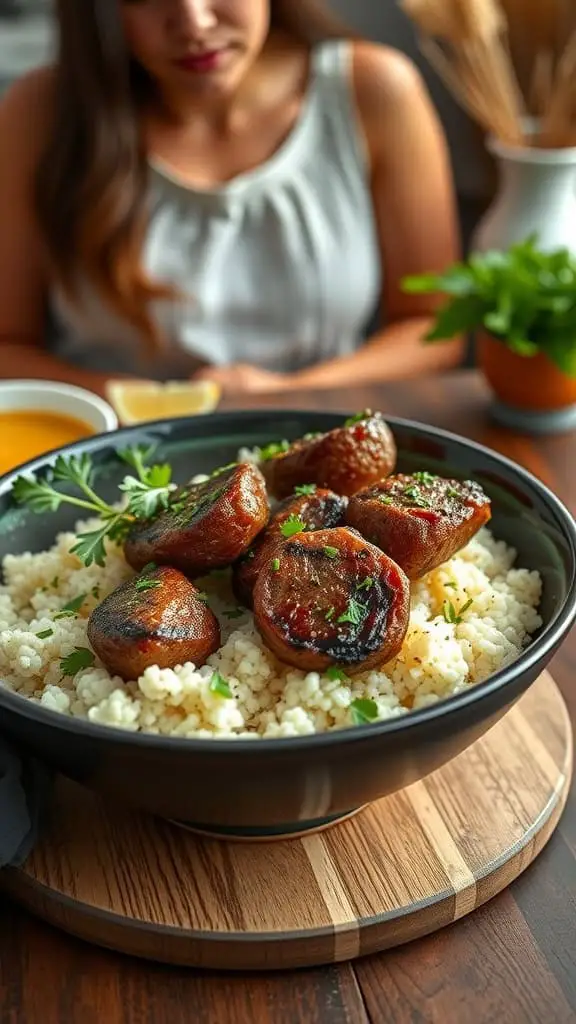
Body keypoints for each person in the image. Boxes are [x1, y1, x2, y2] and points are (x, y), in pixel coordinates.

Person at [0, 0, 462, 397]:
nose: (194, 22)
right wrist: (126, 398)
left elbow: (435, 330)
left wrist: (286, 395)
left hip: (317, 438)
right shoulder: (37, 113)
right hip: (106, 453)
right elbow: (8, 347)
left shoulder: (374, 90)